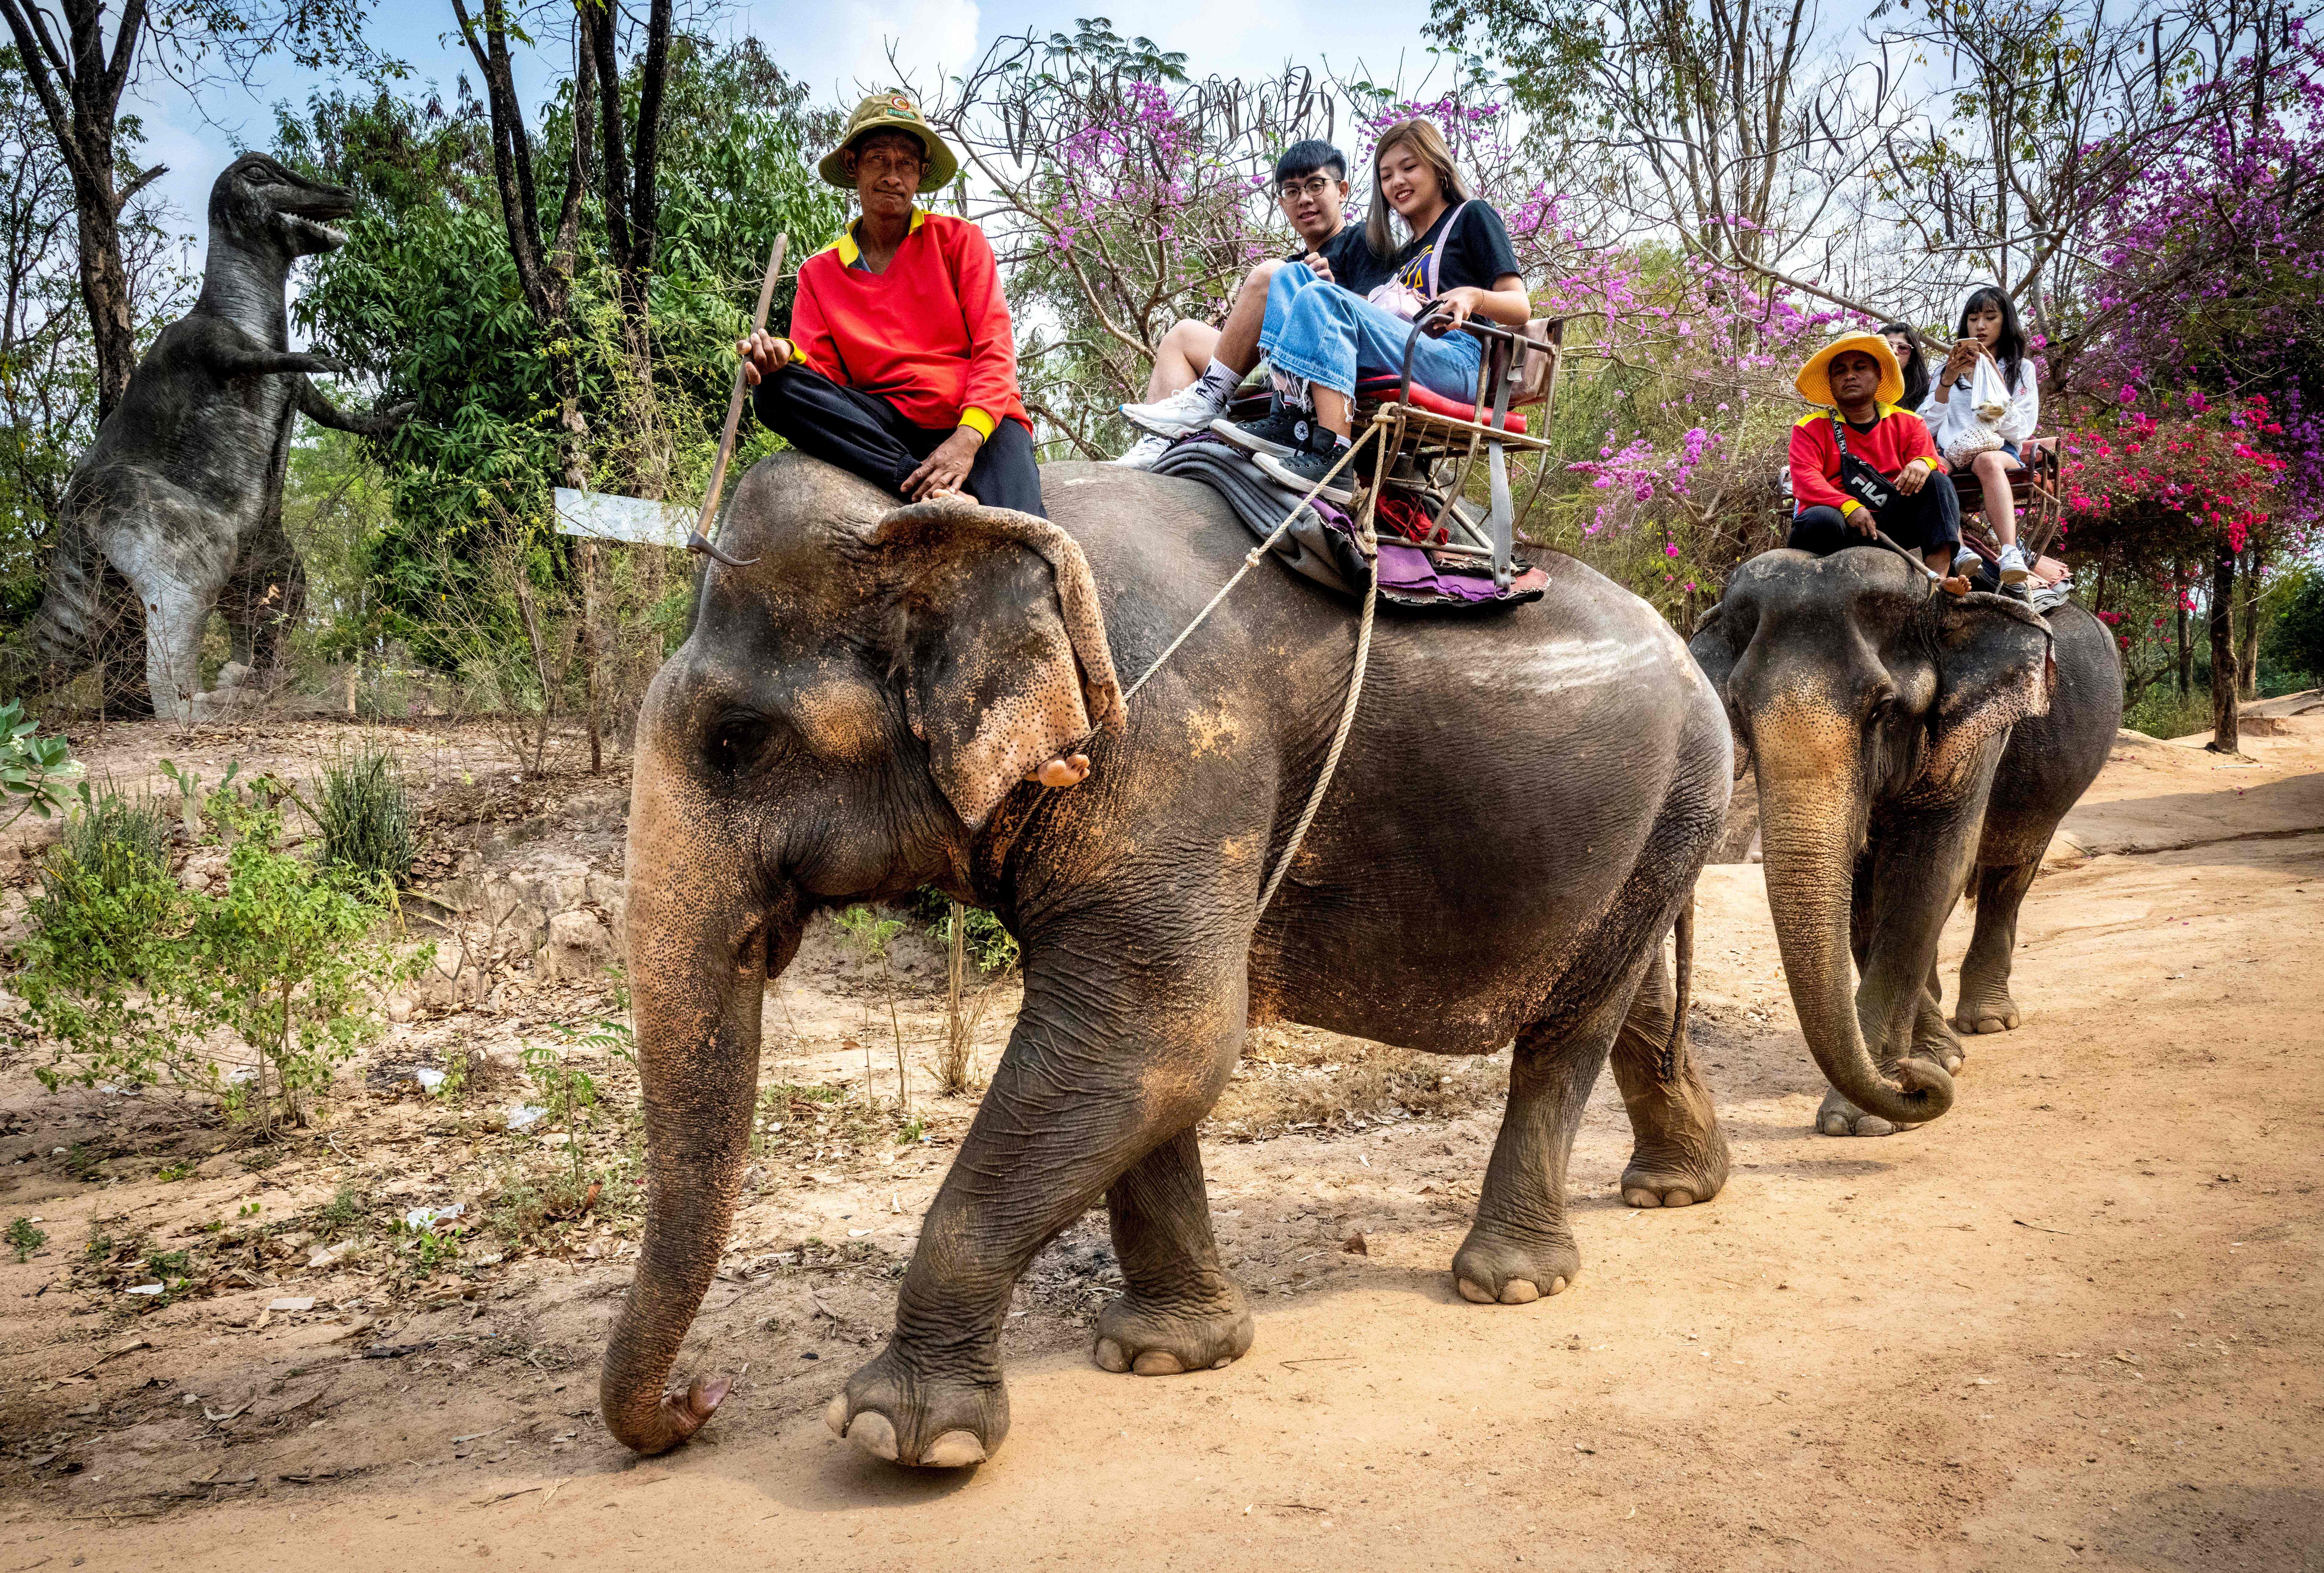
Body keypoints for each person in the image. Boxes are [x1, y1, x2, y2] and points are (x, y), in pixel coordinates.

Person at [735, 92, 1044, 516]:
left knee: (1028, 538)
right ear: (852, 165)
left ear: (919, 176)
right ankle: (917, 482)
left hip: (971, 419)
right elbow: (827, 379)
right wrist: (784, 357)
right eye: (878, 159)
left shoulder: (959, 241)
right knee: (774, 390)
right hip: (885, 427)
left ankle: (958, 480)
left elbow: (994, 350)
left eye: (906, 165)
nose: (892, 176)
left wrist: (967, 440)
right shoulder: (819, 273)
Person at [1212, 117, 1530, 503]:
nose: (1397, 182)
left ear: (1439, 168)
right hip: (1411, 350)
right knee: (1292, 277)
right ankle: (1289, 419)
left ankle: (1334, 457)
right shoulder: (1403, 252)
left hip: (1456, 359)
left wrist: (1472, 298)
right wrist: (1326, 294)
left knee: (1321, 295)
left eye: (1409, 168)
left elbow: (1519, 306)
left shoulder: (1470, 216)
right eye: (1386, 175)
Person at [1113, 139, 1388, 469]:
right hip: (1278, 366)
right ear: (1282, 203)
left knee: (1272, 273)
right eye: (1291, 191)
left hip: (1328, 369)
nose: (1304, 199)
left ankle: (1208, 398)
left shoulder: (1364, 240)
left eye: (1316, 186)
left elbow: (1382, 315)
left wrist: (1332, 294)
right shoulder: (1294, 261)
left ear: (1342, 190)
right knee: (1183, 335)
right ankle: (1158, 443)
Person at [1786, 332, 1970, 595]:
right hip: (1837, 525)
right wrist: (1848, 506)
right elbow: (1806, 481)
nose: (1850, 375)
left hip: (1890, 524)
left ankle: (1939, 579)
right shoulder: (1809, 428)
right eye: (1840, 371)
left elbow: (1937, 470)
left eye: (1860, 368)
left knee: (1938, 482)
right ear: (1831, 383)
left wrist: (1923, 463)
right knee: (1820, 519)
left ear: (1879, 376)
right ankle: (1820, 592)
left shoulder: (1909, 422)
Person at [1919, 284, 2040, 586]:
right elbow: (1925, 426)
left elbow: (2020, 430)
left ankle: (2010, 552)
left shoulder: (2021, 369)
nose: (1981, 326)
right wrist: (1947, 380)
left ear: (2006, 322)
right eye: (1973, 319)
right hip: (1952, 453)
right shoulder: (1943, 370)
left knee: (1985, 461)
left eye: (1990, 317)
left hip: (1998, 451)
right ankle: (1958, 552)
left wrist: (1992, 379)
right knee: (1932, 471)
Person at [1879, 321, 1933, 410]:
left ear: (1912, 357)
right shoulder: (1859, 386)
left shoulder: (1926, 394)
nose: (1894, 351)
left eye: (1903, 348)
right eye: (1887, 346)